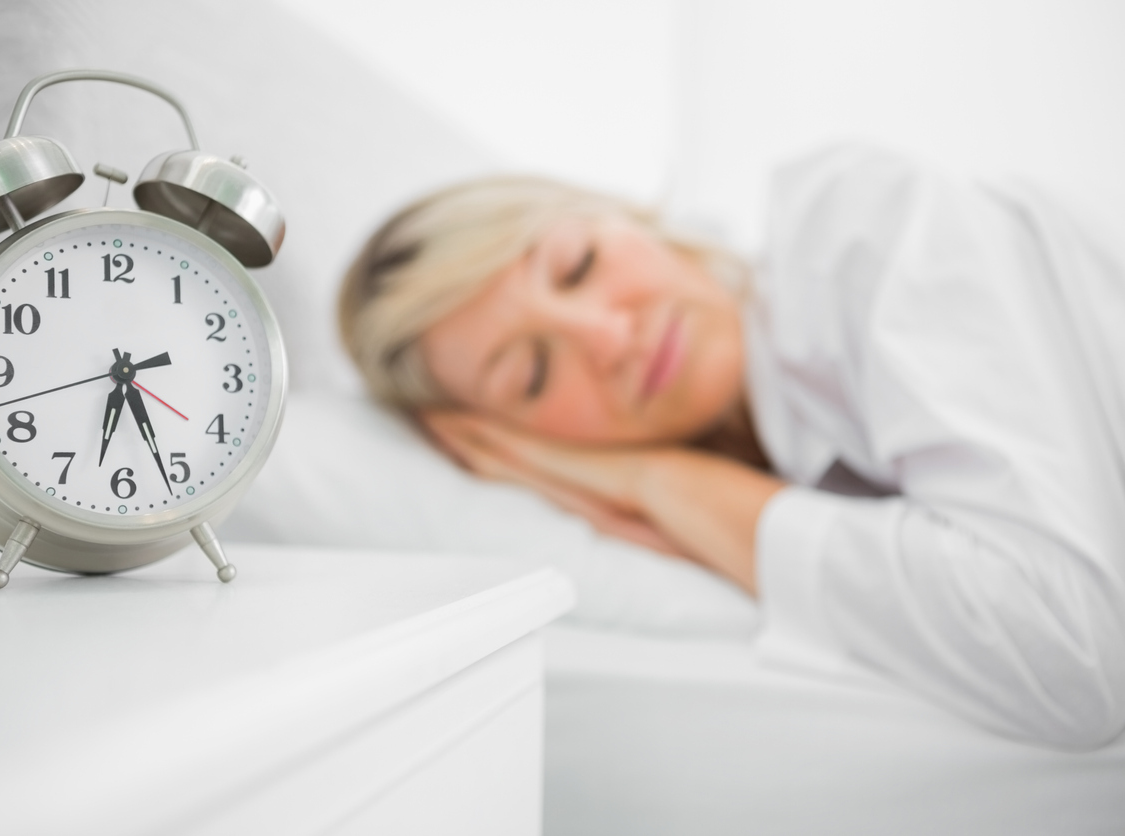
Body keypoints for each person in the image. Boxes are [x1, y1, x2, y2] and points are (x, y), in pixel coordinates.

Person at [337, 143, 1125, 749]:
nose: (611, 337)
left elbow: (1071, 652)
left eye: (578, 265)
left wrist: (656, 478)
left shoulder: (863, 228)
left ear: (626, 216)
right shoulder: (785, 463)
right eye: (535, 373)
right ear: (514, 443)